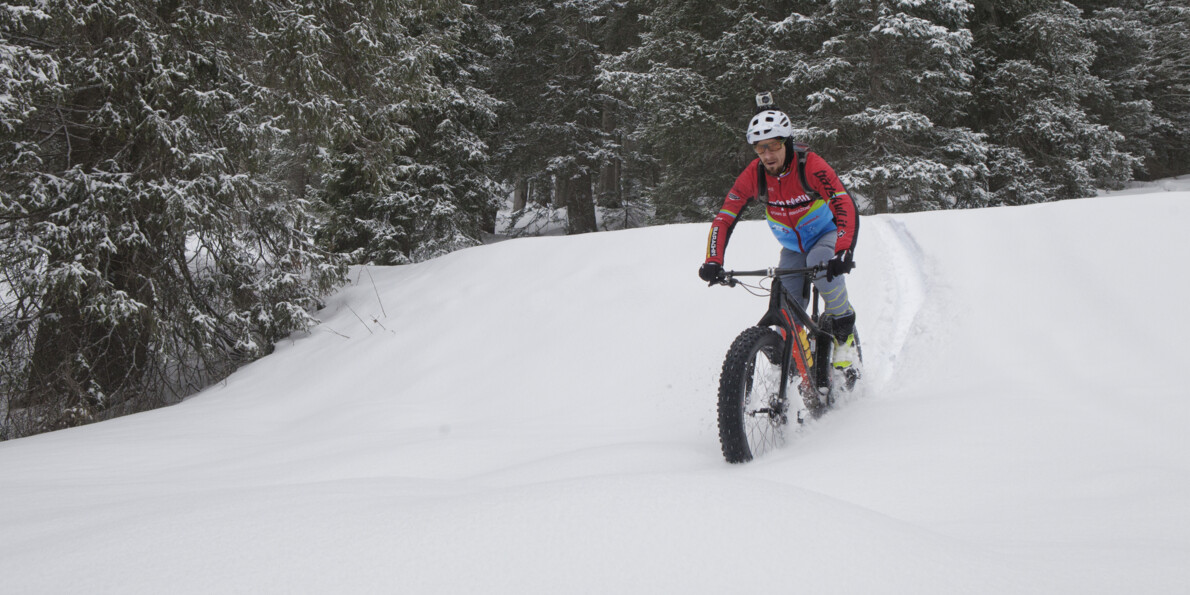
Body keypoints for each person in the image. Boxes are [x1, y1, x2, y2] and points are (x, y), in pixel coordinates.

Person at [699, 108, 861, 373]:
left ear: (786, 141)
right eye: (760, 149)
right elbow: (724, 218)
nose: (767, 155)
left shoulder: (810, 166)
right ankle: (797, 366)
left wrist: (843, 251)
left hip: (826, 234)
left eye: (773, 146)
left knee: (819, 263)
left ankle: (844, 327)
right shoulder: (755, 174)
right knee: (786, 307)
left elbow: (843, 203)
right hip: (792, 246)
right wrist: (713, 260)